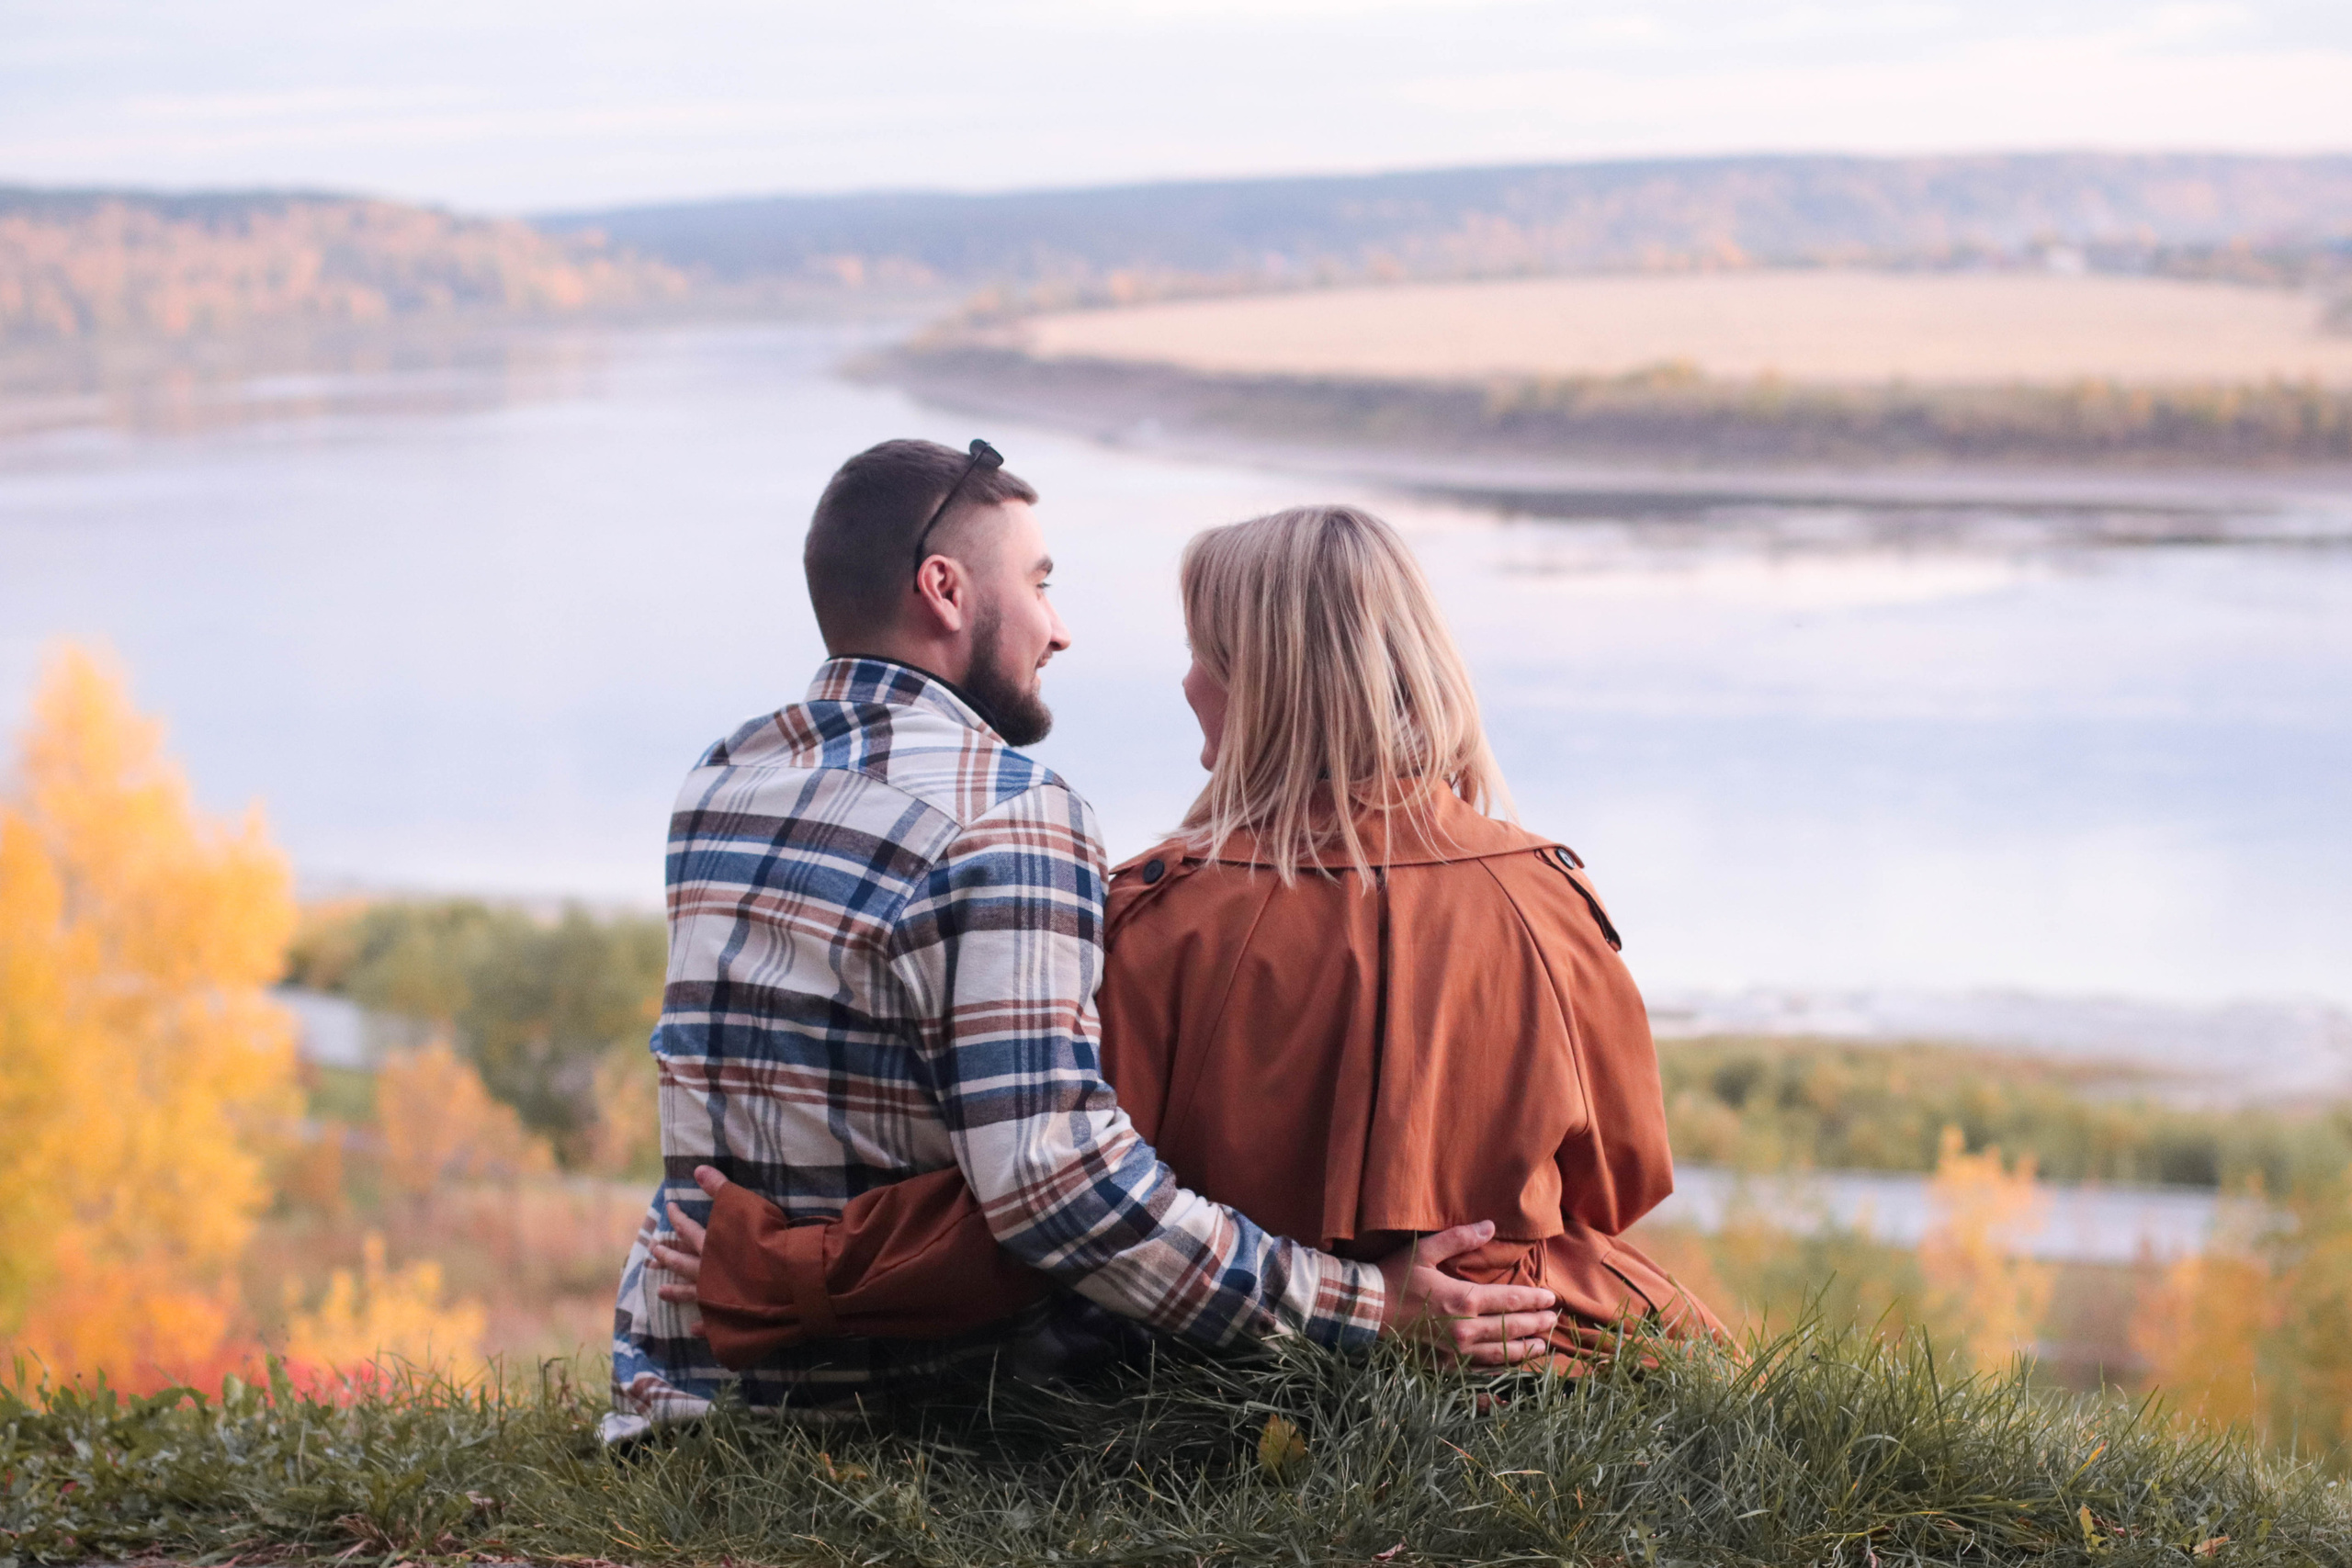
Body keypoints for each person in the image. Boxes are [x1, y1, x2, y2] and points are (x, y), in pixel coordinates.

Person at [605, 444, 1560, 1438]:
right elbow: (1057, 1190)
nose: (1058, 631)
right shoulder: (1007, 812)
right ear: (944, 590)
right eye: (1039, 584)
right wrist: (1369, 1306)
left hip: (679, 1387)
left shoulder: (724, 776)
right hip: (884, 1411)